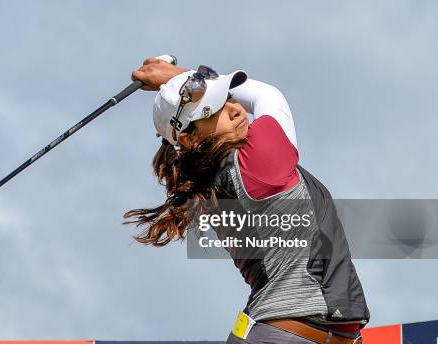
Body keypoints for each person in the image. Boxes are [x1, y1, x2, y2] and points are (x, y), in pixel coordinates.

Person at [126, 58, 370, 344]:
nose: (235, 108)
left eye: (227, 97)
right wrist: (176, 74)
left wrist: (182, 82)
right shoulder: (255, 159)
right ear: (189, 140)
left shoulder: (215, 175)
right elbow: (266, 96)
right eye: (213, 109)